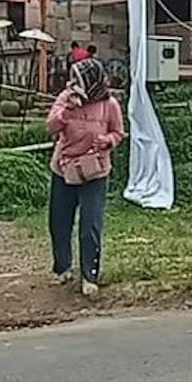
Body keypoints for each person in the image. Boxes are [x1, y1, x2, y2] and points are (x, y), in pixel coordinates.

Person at [46, 58, 125, 296]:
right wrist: (66, 112)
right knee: (59, 220)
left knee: (90, 223)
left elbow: (118, 132)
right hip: (65, 167)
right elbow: (50, 127)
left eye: (78, 80)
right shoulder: (65, 98)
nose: (73, 83)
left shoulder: (109, 104)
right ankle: (63, 268)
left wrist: (108, 141)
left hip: (95, 170)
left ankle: (90, 275)